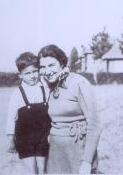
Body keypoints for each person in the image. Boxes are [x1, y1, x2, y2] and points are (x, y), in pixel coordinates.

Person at [38, 44, 102, 174]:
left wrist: (87, 161)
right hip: (55, 153)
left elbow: (95, 124)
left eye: (51, 65)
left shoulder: (79, 83)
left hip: (78, 150)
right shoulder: (46, 87)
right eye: (43, 67)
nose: (47, 71)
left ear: (62, 64)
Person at [6, 52, 51, 174]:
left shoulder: (45, 89)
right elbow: (11, 118)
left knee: (42, 169)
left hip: (43, 136)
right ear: (20, 75)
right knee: (32, 170)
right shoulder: (17, 94)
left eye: (35, 71)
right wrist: (10, 139)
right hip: (24, 137)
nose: (32, 76)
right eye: (27, 73)